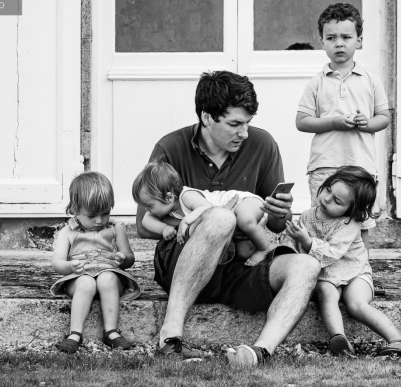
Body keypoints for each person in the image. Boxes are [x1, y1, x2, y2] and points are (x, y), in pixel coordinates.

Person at [136, 70, 321, 366]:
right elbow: (143, 224)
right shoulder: (170, 148)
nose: (244, 133)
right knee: (220, 219)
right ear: (208, 117)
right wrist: (205, 226)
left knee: (307, 266)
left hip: (241, 266)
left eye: (248, 123)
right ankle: (170, 339)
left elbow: (273, 228)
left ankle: (258, 352)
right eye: (235, 124)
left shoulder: (263, 145)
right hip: (185, 264)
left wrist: (279, 213)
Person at [285, 166, 401, 357]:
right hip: (327, 274)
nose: (327, 199)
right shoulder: (306, 216)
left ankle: (397, 340)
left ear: (351, 209)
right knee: (326, 293)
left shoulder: (349, 224)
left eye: (337, 201)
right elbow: (300, 250)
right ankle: (340, 340)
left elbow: (332, 253)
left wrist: (307, 241)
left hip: (355, 273)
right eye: (328, 189)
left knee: (356, 304)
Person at [296, 3, 390, 251]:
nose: (339, 43)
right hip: (325, 163)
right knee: (323, 220)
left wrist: (367, 123)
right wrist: (334, 122)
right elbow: (302, 121)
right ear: (322, 41)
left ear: (358, 41)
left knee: (361, 222)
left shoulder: (370, 80)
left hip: (360, 165)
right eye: (331, 38)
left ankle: (362, 273)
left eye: (346, 37)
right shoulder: (316, 83)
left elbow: (384, 117)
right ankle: (322, 271)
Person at [51, 171, 140, 354]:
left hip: (109, 279)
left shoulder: (116, 228)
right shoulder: (67, 232)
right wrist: (69, 266)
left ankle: (111, 332)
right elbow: (57, 263)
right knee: (86, 281)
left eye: (105, 213)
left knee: (106, 278)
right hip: (79, 279)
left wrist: (123, 259)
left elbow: (129, 257)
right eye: (92, 216)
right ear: (75, 209)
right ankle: (74, 334)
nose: (99, 220)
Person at [132, 161, 270, 266]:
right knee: (243, 252)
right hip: (229, 219)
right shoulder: (166, 206)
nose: (146, 210)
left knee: (245, 220)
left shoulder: (186, 196)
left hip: (242, 202)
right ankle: (275, 248)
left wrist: (186, 221)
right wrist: (163, 228)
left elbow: (207, 208)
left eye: (149, 206)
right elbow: (146, 220)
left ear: (169, 197)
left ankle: (263, 249)